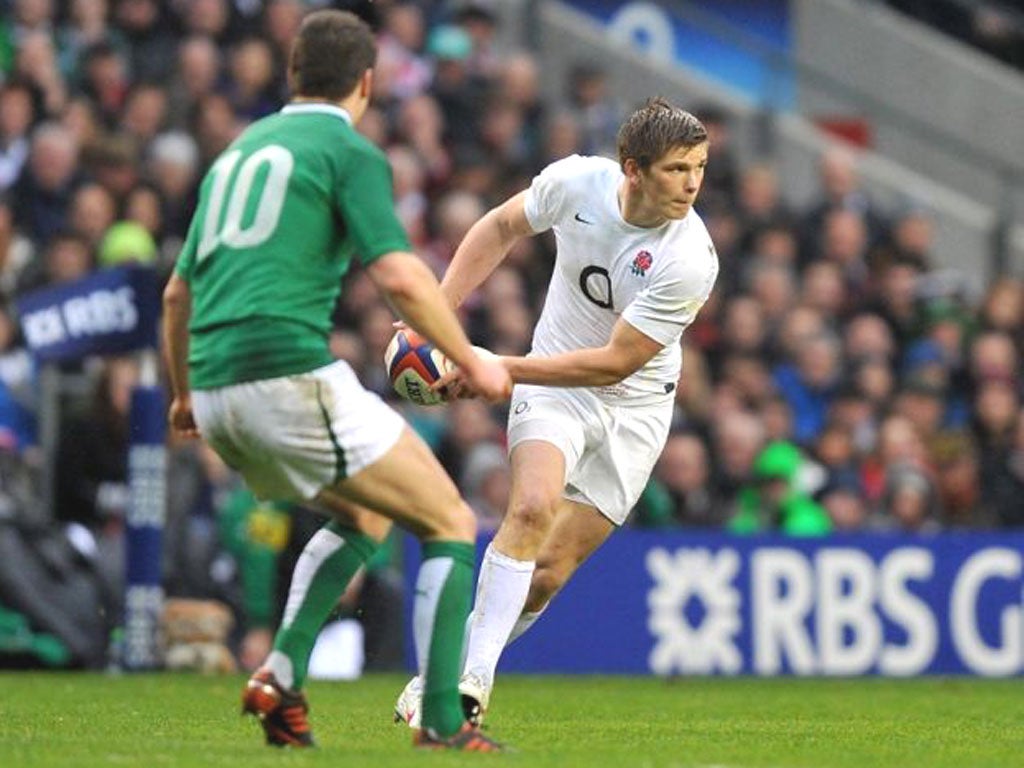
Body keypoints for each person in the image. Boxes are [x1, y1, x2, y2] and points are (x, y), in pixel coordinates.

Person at [162, 10, 510, 752]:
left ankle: (280, 678)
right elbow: (397, 276)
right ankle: (444, 723)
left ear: (290, 76)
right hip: (283, 370)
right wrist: (470, 357)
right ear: (367, 82)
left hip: (217, 389)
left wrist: (186, 394)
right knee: (448, 521)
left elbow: (175, 295)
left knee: (367, 515)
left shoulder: (237, 153)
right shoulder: (347, 152)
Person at [392, 96, 719, 726]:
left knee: (547, 574)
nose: (693, 183)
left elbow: (615, 362)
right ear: (633, 169)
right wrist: (435, 314)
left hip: (636, 405)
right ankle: (470, 687)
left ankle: (437, 676)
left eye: (699, 167)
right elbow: (499, 228)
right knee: (533, 507)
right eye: (677, 169)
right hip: (556, 386)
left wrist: (499, 368)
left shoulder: (689, 259)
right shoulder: (575, 182)